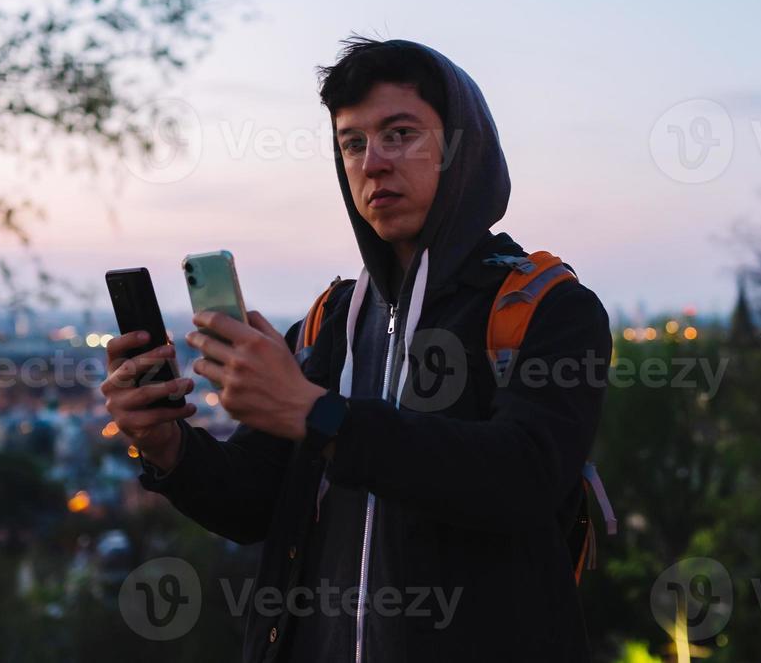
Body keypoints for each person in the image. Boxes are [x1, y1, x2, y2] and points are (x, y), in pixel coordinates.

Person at [101, 35, 612, 662]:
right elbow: (255, 503)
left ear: (462, 149)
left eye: (400, 134)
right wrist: (166, 445)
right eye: (352, 143)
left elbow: (523, 477)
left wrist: (320, 415)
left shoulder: (545, 309)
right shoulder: (330, 322)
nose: (372, 163)